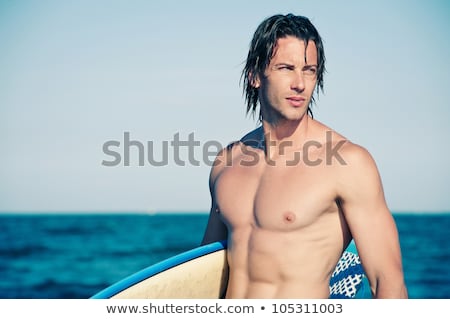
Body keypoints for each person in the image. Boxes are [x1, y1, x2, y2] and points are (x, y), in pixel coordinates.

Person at [201, 13, 408, 299]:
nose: (300, 83)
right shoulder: (227, 163)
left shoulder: (347, 163)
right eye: (286, 68)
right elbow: (204, 274)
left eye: (309, 70)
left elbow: (388, 284)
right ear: (255, 75)